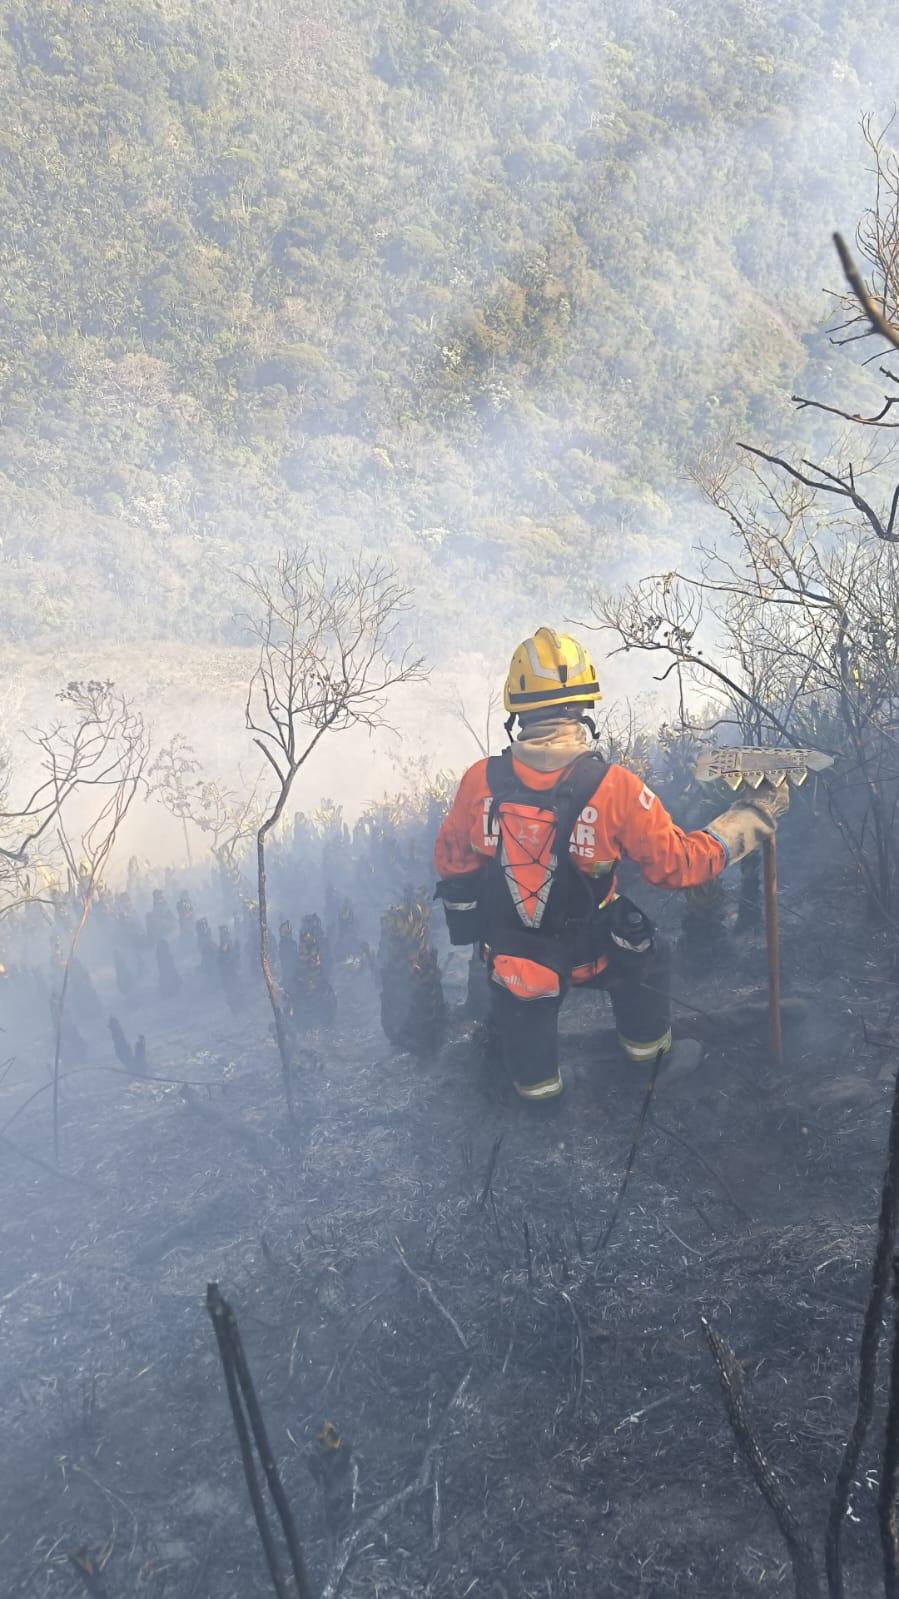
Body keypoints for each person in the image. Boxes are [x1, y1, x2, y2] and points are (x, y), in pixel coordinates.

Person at [433, 628, 788, 1106]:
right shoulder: (615, 788)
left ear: (517, 711)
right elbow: (679, 865)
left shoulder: (479, 781)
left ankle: (538, 1099)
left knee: (528, 1048)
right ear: (584, 709)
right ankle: (650, 1061)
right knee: (646, 951)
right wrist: (751, 819)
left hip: (514, 960)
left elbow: (453, 862)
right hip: (590, 954)